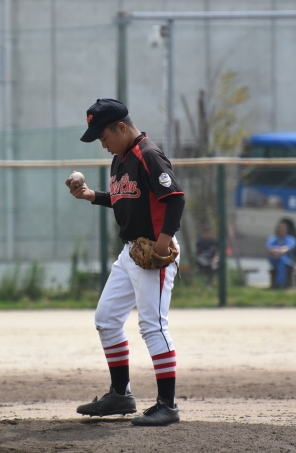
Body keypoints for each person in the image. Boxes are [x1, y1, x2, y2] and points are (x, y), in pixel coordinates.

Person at [66, 98, 185, 426]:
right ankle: (120, 394)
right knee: (106, 319)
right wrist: (91, 195)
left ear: (121, 127)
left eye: (103, 136)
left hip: (153, 253)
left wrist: (163, 243)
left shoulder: (148, 154)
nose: (102, 144)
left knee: (153, 325)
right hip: (131, 252)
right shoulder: (119, 159)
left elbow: (175, 198)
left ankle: (167, 405)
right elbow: (124, 200)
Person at [267, 221, 296, 289]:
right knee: (281, 260)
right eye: (279, 230)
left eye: (282, 230)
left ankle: (279, 284)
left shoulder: (291, 239)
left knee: (281, 260)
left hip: (287, 260)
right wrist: (278, 252)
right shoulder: (272, 239)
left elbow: (288, 249)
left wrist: (278, 252)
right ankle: (280, 284)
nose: (281, 231)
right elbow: (269, 248)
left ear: (286, 230)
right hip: (274, 259)